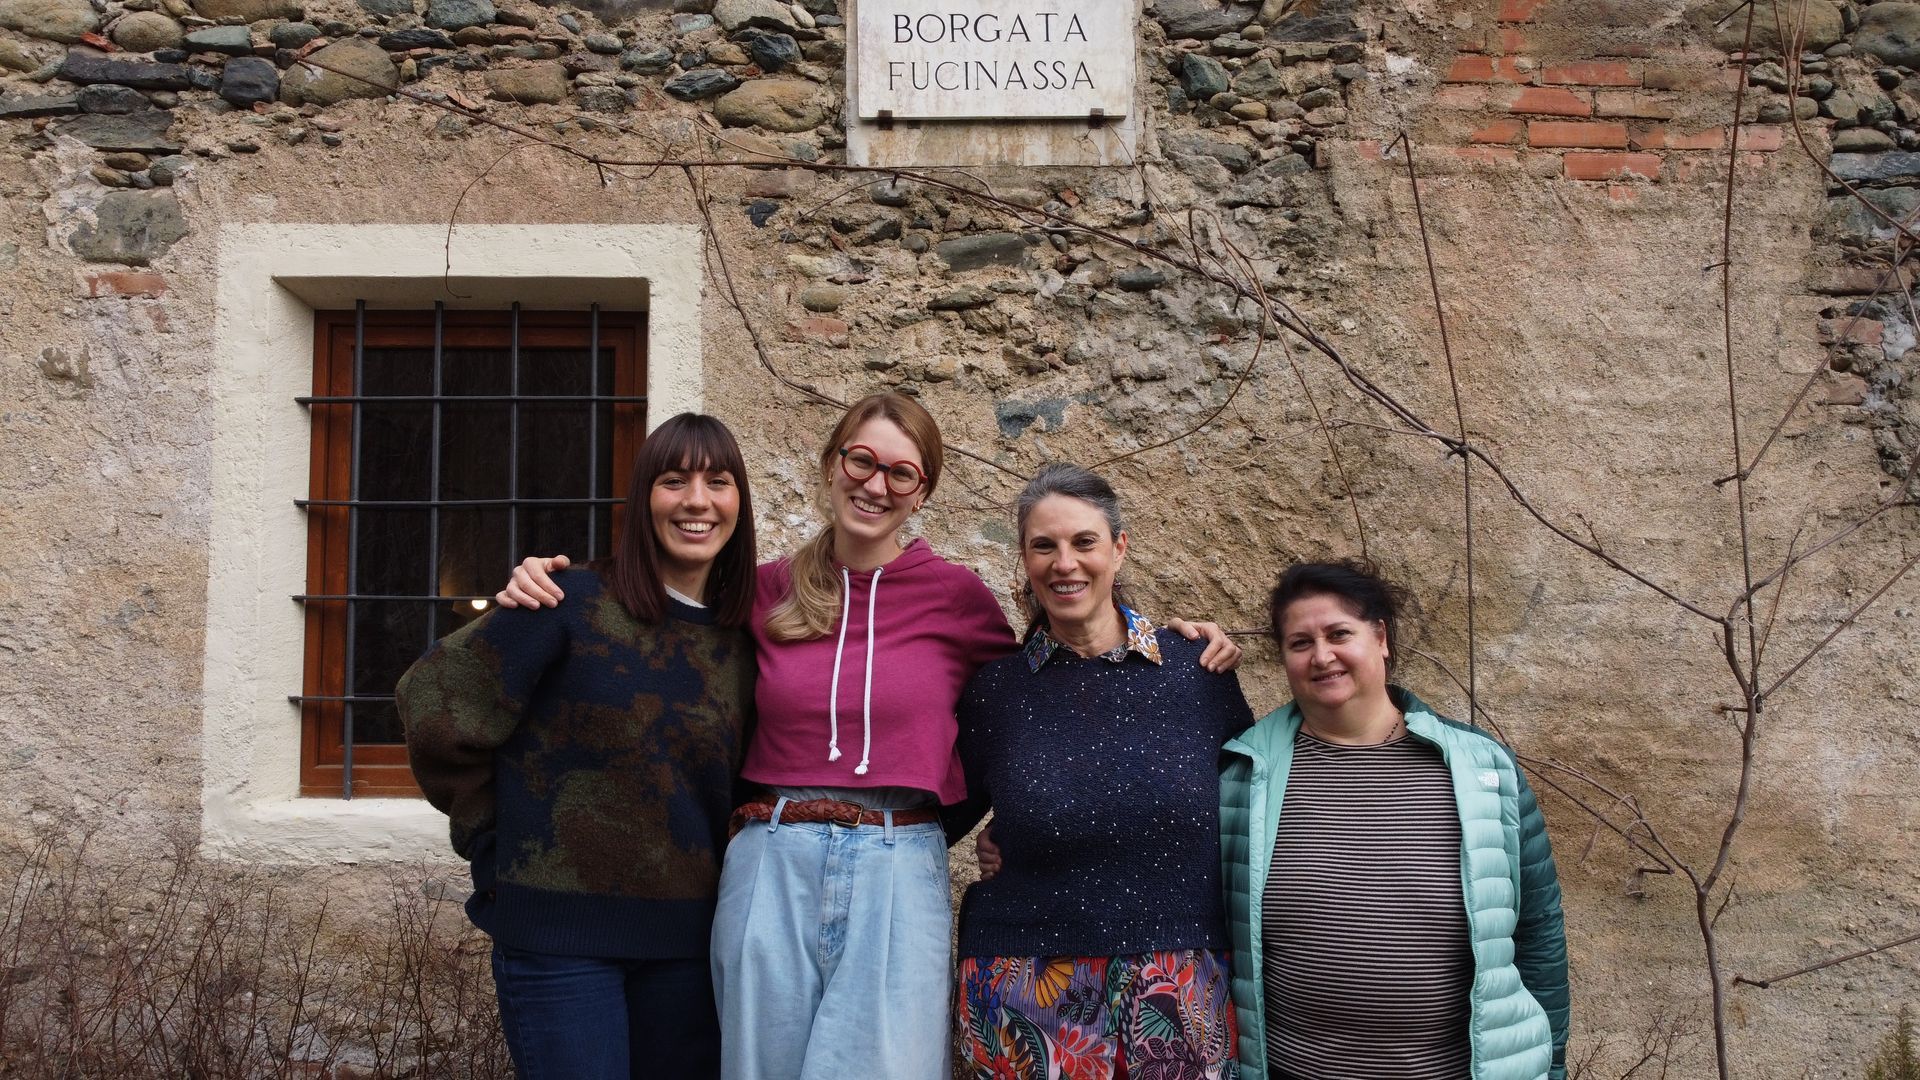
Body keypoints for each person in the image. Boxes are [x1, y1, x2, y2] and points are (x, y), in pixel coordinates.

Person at [495, 393, 1242, 1080]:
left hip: (898, 856)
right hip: (770, 855)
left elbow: (1039, 693)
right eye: (862, 460)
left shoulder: (957, 599)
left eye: (901, 472)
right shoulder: (758, 590)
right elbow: (656, 617)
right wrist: (549, 579)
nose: (876, 484)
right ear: (833, 463)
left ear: (921, 493)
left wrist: (1167, 636)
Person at [396, 413, 758, 1080]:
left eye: (719, 481)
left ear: (740, 502)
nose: (697, 501)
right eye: (674, 481)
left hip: (686, 950)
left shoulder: (744, 642)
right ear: (645, 497)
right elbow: (433, 707)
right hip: (559, 945)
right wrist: (494, 841)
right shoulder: (569, 600)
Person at [947, 463, 1251, 1080]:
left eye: (1084, 542)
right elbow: (942, 814)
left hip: (1178, 978)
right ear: (1026, 563)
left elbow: (1255, 807)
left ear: (1118, 548)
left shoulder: (1199, 671)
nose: (1065, 563)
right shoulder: (998, 691)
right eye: (1044, 546)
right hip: (1023, 981)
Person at [1218, 560, 1570, 1080]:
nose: (1322, 656)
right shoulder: (1243, 776)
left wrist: (1552, 1061)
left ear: (1380, 637)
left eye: (1340, 633)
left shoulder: (1480, 767)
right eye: (1300, 643)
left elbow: (1539, 931)